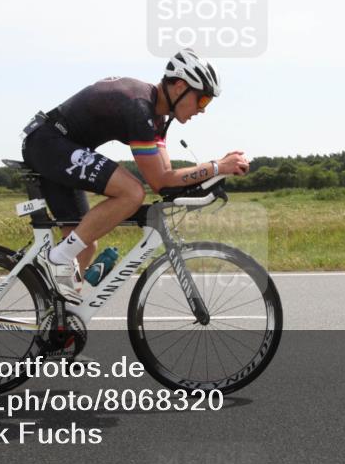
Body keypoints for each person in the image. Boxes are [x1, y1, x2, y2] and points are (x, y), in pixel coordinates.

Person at [20, 49, 250, 293]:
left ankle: (59, 322)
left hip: (59, 147)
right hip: (48, 143)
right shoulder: (140, 109)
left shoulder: (157, 117)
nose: (203, 109)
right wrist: (216, 166)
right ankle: (56, 259)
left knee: (83, 246)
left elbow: (167, 177)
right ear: (180, 86)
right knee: (131, 192)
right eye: (202, 100)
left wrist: (214, 172)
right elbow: (160, 180)